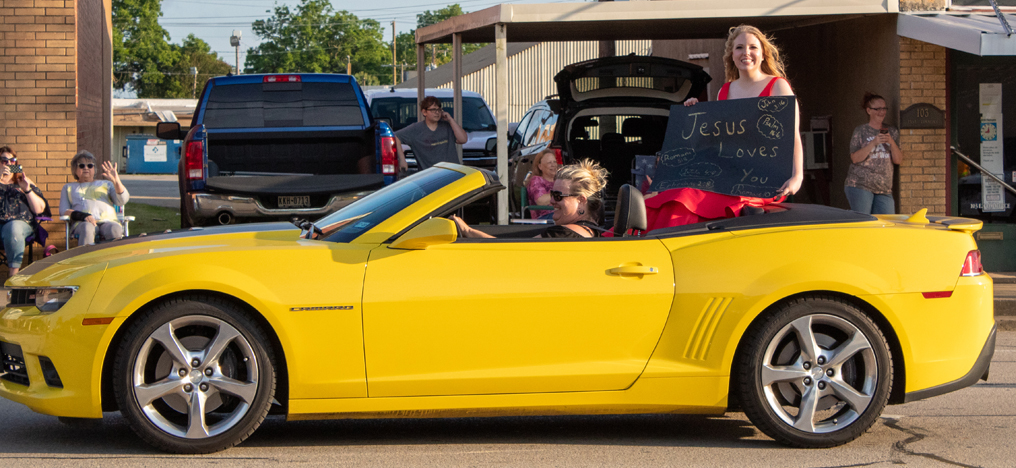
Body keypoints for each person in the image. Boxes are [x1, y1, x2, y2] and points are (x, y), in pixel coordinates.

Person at [650, 24, 804, 229]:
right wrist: (695, 114)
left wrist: (797, 176)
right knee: (673, 195)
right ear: (732, 54)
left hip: (762, 182)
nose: (746, 53)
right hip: (725, 178)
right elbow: (715, 141)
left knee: (687, 199)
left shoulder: (778, 86)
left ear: (764, 54)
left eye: (753, 47)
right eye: (739, 48)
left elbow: (792, 136)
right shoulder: (724, 91)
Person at [454, 159, 608, 239]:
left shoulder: (564, 235)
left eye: (558, 196)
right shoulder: (592, 231)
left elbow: (512, 253)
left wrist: (468, 231)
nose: (552, 201)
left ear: (581, 200)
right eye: (552, 194)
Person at [845, 92, 903, 214]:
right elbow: (855, 158)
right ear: (868, 110)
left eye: (884, 108)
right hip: (860, 185)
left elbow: (898, 160)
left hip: (884, 189)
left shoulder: (892, 131)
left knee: (886, 225)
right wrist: (873, 143)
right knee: (864, 224)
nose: (881, 112)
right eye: (877, 109)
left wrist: (891, 141)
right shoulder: (861, 131)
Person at [59, 150, 130, 246]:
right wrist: (83, 216)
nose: (86, 168)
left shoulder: (107, 184)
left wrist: (116, 181)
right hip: (82, 222)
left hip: (108, 221)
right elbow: (64, 211)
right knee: (87, 228)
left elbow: (122, 200)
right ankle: (86, 260)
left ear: (94, 169)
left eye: (90, 165)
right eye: (81, 165)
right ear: (75, 169)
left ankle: (116, 259)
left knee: (115, 228)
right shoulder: (68, 187)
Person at [0, 146, 46, 276]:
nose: (8, 163)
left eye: (12, 160)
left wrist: (27, 190)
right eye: (4, 160)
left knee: (13, 227)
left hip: (19, 224)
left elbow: (39, 209)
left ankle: (13, 276)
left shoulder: (23, 180)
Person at [393, 96, 468, 173]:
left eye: (439, 109)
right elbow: (395, 137)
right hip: (429, 177)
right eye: (433, 110)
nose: (437, 112)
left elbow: (463, 139)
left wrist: (451, 120)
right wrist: (402, 160)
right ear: (424, 112)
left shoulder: (447, 126)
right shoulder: (415, 129)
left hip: (452, 173)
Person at [525, 149, 558, 218]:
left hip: (559, 214)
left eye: (554, 162)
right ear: (540, 166)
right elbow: (540, 200)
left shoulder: (559, 180)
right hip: (544, 217)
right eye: (549, 163)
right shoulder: (536, 180)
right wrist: (562, 194)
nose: (553, 165)